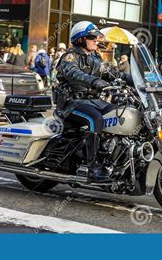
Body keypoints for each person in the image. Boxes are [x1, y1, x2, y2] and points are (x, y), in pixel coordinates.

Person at [55, 21, 128, 182]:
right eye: (91, 37)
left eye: (96, 37)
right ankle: (92, 166)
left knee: (120, 112)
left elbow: (112, 73)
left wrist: (136, 80)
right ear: (80, 39)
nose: (96, 40)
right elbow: (74, 73)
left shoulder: (95, 57)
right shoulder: (70, 56)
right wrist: (95, 82)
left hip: (93, 102)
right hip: (71, 103)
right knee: (95, 118)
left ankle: (111, 156)